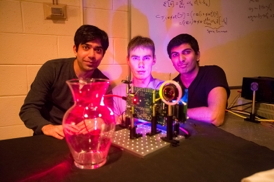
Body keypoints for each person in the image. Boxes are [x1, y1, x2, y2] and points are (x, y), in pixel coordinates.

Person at [19, 25, 111, 139]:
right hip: (52, 136)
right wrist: (47, 127)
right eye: (86, 47)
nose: (91, 55)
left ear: (103, 55)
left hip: (84, 139)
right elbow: (28, 108)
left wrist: (101, 121)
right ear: (75, 49)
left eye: (98, 50)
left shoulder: (103, 83)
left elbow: (108, 115)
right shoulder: (53, 69)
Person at [167, 34, 230, 126]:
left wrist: (177, 112)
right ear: (171, 60)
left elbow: (215, 117)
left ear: (197, 55)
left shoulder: (213, 73)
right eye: (175, 55)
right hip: (185, 137)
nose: (181, 59)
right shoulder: (172, 86)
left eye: (186, 52)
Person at [112, 36, 163, 124]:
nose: (141, 64)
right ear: (128, 60)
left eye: (146, 58)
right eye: (135, 58)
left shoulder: (165, 90)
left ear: (154, 60)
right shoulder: (117, 92)